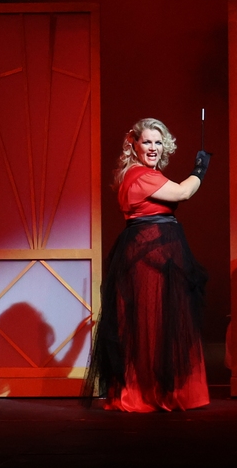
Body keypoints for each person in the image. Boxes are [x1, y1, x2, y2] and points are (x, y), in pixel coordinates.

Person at [84, 117, 211, 412]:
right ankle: (146, 392)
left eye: (158, 142)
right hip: (148, 259)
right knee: (151, 323)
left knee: (156, 323)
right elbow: (183, 192)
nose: (153, 148)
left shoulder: (144, 174)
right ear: (134, 144)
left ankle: (158, 390)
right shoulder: (139, 175)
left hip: (153, 255)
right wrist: (200, 168)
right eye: (147, 142)